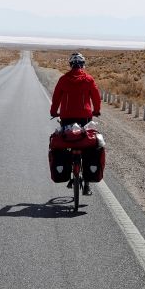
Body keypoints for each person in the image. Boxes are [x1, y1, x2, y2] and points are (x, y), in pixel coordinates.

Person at [50, 52, 101, 195]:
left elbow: (56, 98)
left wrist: (54, 112)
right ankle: (87, 184)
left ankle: (69, 170)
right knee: (86, 145)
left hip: (66, 117)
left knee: (67, 142)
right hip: (85, 117)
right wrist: (96, 110)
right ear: (82, 65)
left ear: (71, 65)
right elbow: (96, 97)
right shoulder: (89, 79)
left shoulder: (63, 79)